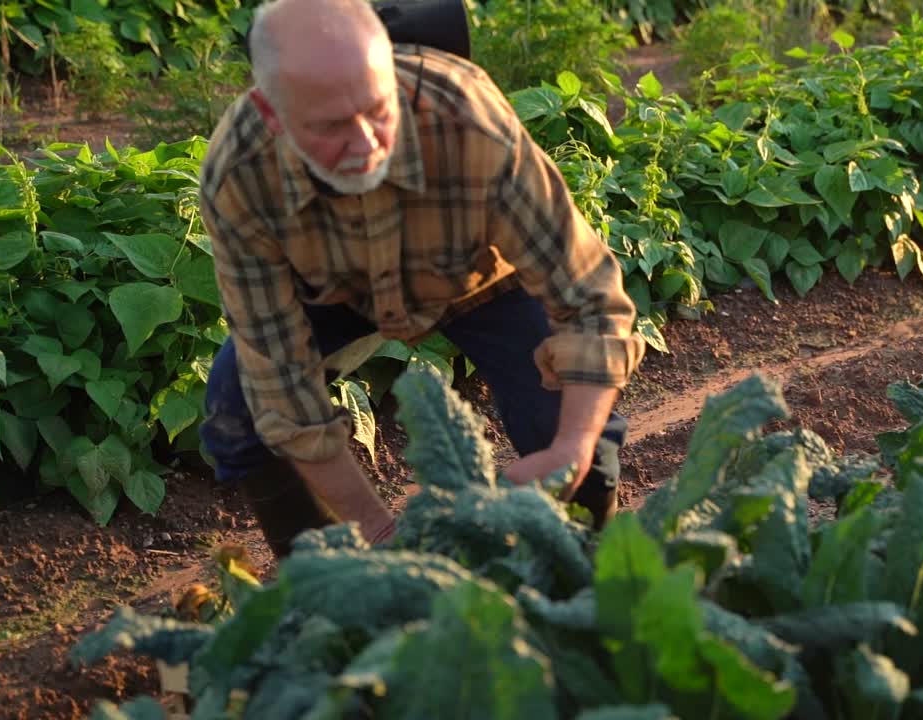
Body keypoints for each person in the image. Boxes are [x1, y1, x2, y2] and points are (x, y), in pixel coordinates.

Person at [196, 0, 646, 558]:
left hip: (480, 277)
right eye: (332, 126)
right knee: (239, 406)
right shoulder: (239, 176)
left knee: (577, 440)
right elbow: (280, 385)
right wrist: (376, 531)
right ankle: (328, 582)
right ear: (271, 113)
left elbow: (590, 301)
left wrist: (571, 450)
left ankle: (580, 578)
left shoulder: (468, 120)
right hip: (337, 291)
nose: (366, 142)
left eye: (379, 109)